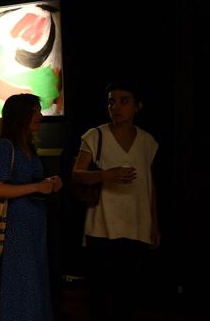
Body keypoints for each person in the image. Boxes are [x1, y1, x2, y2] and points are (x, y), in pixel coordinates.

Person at [72, 80, 160, 321]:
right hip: (102, 225)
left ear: (137, 107)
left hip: (136, 224)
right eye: (112, 102)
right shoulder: (96, 135)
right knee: (100, 295)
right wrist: (105, 175)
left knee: (128, 295)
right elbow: (76, 173)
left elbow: (149, 184)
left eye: (124, 101)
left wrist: (154, 223)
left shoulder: (147, 141)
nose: (116, 107)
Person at [0, 93, 63, 321]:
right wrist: (37, 187)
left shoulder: (27, 146)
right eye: (36, 111)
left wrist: (50, 182)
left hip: (34, 225)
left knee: (36, 281)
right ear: (21, 116)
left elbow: (30, 182)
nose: (41, 116)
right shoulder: (5, 147)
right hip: (17, 228)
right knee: (22, 282)